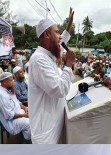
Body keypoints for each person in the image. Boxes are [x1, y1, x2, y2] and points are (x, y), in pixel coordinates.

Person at [28, 8, 75, 144]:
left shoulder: (48, 55)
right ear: (47, 34)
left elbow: (61, 41)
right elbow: (59, 90)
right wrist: (68, 65)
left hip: (53, 125)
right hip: (45, 134)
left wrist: (69, 25)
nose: (60, 36)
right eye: (57, 31)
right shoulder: (39, 59)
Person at [0, 72, 31, 142]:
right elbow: (9, 115)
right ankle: (28, 142)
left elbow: (18, 102)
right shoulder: (1, 95)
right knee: (30, 123)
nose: (13, 82)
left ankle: (30, 139)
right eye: (11, 80)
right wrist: (24, 115)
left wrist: (25, 108)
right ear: (4, 82)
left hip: (20, 113)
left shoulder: (9, 89)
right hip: (11, 122)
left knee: (35, 112)